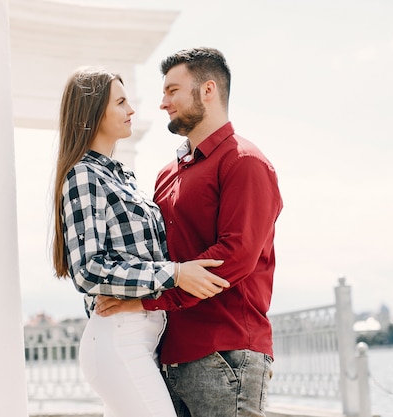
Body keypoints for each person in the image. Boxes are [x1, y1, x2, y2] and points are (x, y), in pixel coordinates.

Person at [95, 47, 284, 417]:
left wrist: (146, 301)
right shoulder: (167, 174)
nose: (163, 103)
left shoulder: (245, 163)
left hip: (226, 356)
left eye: (172, 90)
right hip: (169, 357)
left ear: (208, 90)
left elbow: (233, 258)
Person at [51, 67, 230, 417]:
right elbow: (87, 270)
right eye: (120, 102)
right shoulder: (82, 174)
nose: (131, 110)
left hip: (143, 339)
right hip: (118, 339)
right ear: (92, 111)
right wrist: (175, 275)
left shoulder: (122, 177)